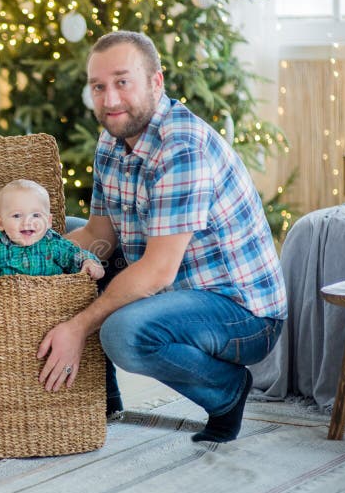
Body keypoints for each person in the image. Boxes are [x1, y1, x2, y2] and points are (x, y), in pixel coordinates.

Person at [37, 31, 287, 443]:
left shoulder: (182, 148)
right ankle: (101, 396)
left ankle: (226, 390)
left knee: (123, 332)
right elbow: (100, 233)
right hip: (173, 287)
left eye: (122, 81)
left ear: (156, 81)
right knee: (55, 238)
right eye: (98, 87)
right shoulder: (112, 137)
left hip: (241, 312)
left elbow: (155, 272)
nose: (110, 99)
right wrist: (21, 254)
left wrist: (78, 327)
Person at [0, 179, 105, 286]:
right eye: (17, 216)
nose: (27, 222)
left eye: (36, 215)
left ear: (48, 221)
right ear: (0, 223)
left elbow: (76, 255)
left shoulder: (53, 244)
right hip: (7, 308)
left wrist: (90, 262)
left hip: (52, 303)